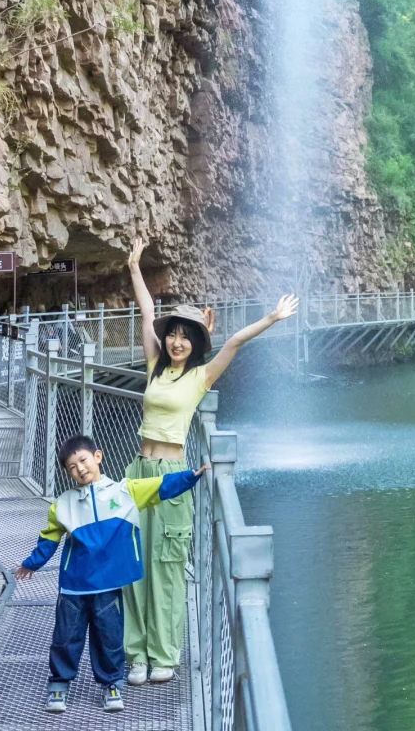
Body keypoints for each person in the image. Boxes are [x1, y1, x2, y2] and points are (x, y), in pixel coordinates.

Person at [124, 243, 299, 685]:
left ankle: (165, 654)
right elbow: (147, 312)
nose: (177, 341)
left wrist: (272, 318)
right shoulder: (155, 366)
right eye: (173, 334)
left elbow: (235, 341)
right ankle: (137, 654)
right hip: (138, 472)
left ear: (196, 342)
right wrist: (133, 266)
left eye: (186, 336)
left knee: (166, 566)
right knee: (133, 564)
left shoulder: (200, 377)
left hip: (171, 477)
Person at [15, 433, 209, 714]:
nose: (80, 469)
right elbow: (49, 539)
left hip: (107, 585)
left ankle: (112, 684)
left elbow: (161, 485)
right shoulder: (63, 504)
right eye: (72, 467)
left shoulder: (124, 492)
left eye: (83, 460)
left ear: (98, 456)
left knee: (110, 638)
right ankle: (59, 684)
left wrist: (192, 476)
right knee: (66, 638)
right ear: (68, 473)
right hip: (74, 587)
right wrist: (31, 563)